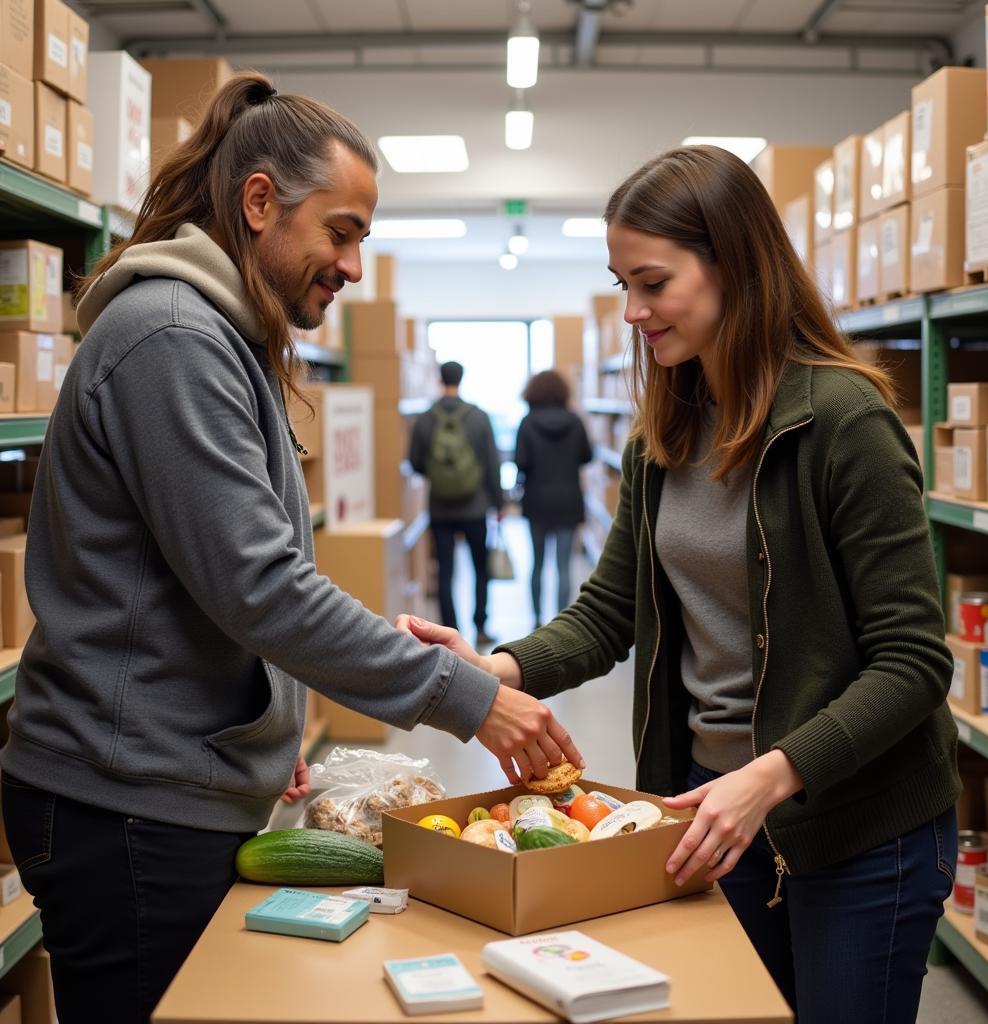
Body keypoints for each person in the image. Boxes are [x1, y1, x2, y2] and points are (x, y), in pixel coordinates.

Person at [0, 73, 582, 1024]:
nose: (354, 265)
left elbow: (213, 579)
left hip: (166, 787)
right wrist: (471, 701)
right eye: (342, 232)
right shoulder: (173, 340)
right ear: (260, 203)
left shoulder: (222, 337)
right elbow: (258, 586)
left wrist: (270, 711)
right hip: (127, 811)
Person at [399, 145, 960, 1022]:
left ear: (732, 263)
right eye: (623, 283)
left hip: (857, 829)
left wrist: (772, 775)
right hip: (706, 809)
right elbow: (609, 613)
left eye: (652, 283)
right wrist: (488, 675)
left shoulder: (844, 421)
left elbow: (914, 662)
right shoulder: (662, 433)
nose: (632, 311)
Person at [408, 360, 503, 645]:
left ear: (440, 378)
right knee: (480, 567)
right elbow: (491, 462)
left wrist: (439, 475)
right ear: (461, 379)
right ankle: (481, 626)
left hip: (440, 506)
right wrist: (498, 503)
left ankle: (450, 631)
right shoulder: (479, 417)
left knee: (446, 570)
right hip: (475, 506)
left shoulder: (425, 419)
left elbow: (415, 462)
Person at [515, 370, 592, 628]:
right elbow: (587, 456)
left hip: (537, 500)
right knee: (563, 566)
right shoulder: (575, 421)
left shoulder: (527, 422)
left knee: (536, 563)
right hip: (568, 500)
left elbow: (521, 462)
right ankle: (560, 621)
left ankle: (536, 619)